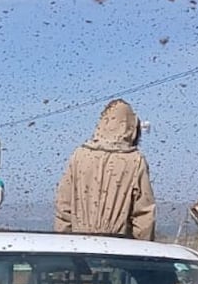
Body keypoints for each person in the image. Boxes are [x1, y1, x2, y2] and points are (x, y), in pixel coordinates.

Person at [53, 99, 156, 240]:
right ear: (131, 126)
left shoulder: (80, 156)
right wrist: (143, 255)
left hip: (79, 245)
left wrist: (65, 246)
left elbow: (64, 206)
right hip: (118, 250)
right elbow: (144, 214)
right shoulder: (134, 160)